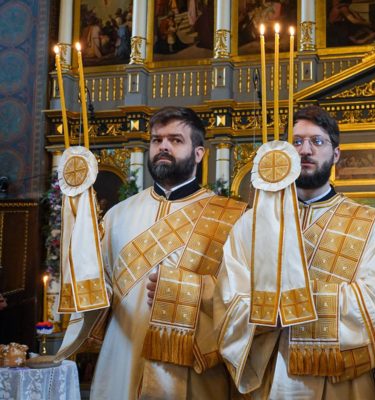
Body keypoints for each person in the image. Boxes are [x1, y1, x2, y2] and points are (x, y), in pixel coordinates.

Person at [56, 106, 247, 399]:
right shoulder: (117, 215)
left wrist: (188, 289)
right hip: (121, 361)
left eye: (175, 140)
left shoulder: (232, 217)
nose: (163, 147)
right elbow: (98, 290)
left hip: (192, 370)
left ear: (199, 153)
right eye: (157, 140)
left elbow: (245, 297)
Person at [215, 105, 375, 398]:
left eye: (317, 141)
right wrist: (266, 314)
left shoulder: (369, 225)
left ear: (335, 154)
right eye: (297, 142)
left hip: (342, 383)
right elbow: (228, 298)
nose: (305, 150)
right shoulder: (251, 224)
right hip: (271, 379)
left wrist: (291, 304)